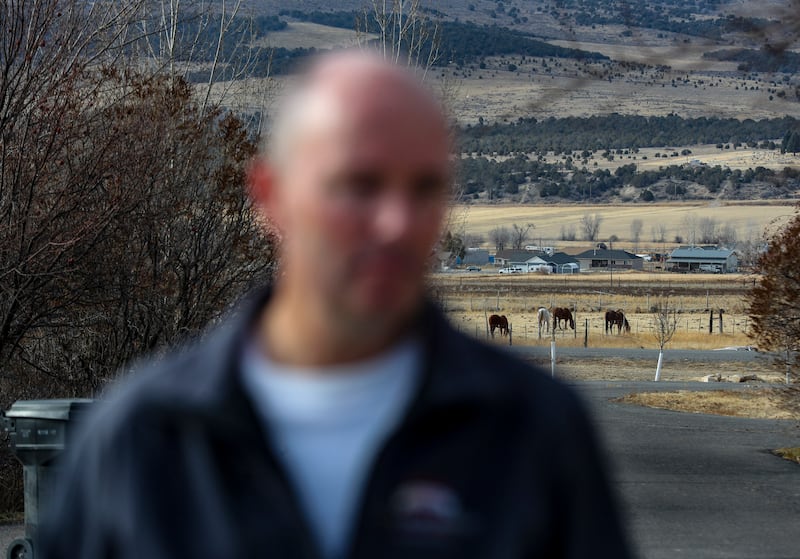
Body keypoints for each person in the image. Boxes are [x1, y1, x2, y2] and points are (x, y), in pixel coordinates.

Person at [37, 51, 631, 559]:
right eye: (359, 185)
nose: (398, 222)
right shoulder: (144, 443)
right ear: (271, 197)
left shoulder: (532, 434)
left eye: (425, 188)